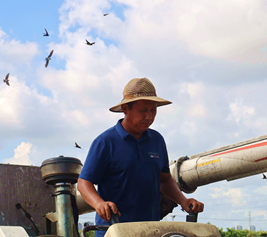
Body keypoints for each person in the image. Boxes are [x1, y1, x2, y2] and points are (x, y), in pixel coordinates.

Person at [77, 77, 204, 225]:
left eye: (153, 110)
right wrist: (99, 203)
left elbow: (165, 179)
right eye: (143, 111)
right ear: (125, 109)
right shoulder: (106, 142)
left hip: (150, 232)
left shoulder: (157, 141)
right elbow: (83, 182)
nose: (149, 117)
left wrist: (183, 200)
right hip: (113, 234)